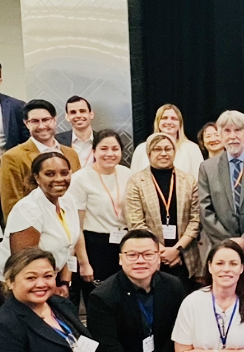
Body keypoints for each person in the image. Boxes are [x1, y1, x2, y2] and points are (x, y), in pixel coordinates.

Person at [198, 110, 244, 314]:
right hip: (222, 255)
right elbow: (205, 209)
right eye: (227, 131)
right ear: (220, 135)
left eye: (238, 130)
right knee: (224, 310)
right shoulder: (207, 168)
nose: (232, 136)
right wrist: (230, 245)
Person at [0, 152, 94, 296]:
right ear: (37, 177)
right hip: (14, 285)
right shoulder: (28, 209)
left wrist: (65, 282)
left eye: (64, 173)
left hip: (47, 281)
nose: (59, 179)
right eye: (50, 174)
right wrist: (51, 289)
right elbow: (24, 263)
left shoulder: (68, 200)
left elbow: (69, 246)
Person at [123, 133, 203, 288]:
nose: (163, 153)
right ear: (149, 153)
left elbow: (196, 219)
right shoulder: (136, 182)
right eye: (157, 149)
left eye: (168, 149)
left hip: (183, 256)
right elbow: (136, 222)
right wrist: (160, 250)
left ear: (174, 151)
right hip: (149, 256)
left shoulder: (189, 181)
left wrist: (176, 250)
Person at [0, 99, 82, 219]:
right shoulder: (12, 157)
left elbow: (78, 193)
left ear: (54, 120)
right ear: (26, 123)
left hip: (70, 221)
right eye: (35, 121)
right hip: (35, 223)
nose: (42, 126)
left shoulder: (71, 153)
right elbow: (11, 204)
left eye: (46, 120)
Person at [66, 130, 131, 283]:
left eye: (115, 149)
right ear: (94, 151)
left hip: (124, 243)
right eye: (104, 149)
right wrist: (84, 263)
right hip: (95, 246)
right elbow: (76, 227)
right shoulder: (80, 179)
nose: (110, 154)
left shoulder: (127, 174)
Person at [130, 104, 204, 177]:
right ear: (157, 122)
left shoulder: (192, 149)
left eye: (174, 118)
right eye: (164, 118)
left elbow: (198, 180)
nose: (169, 122)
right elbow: (133, 179)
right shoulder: (141, 149)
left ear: (180, 123)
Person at [56, 96, 96, 169]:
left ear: (91, 114)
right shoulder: (56, 141)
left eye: (82, 111)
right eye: (73, 112)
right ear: (67, 117)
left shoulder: (103, 140)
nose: (78, 115)